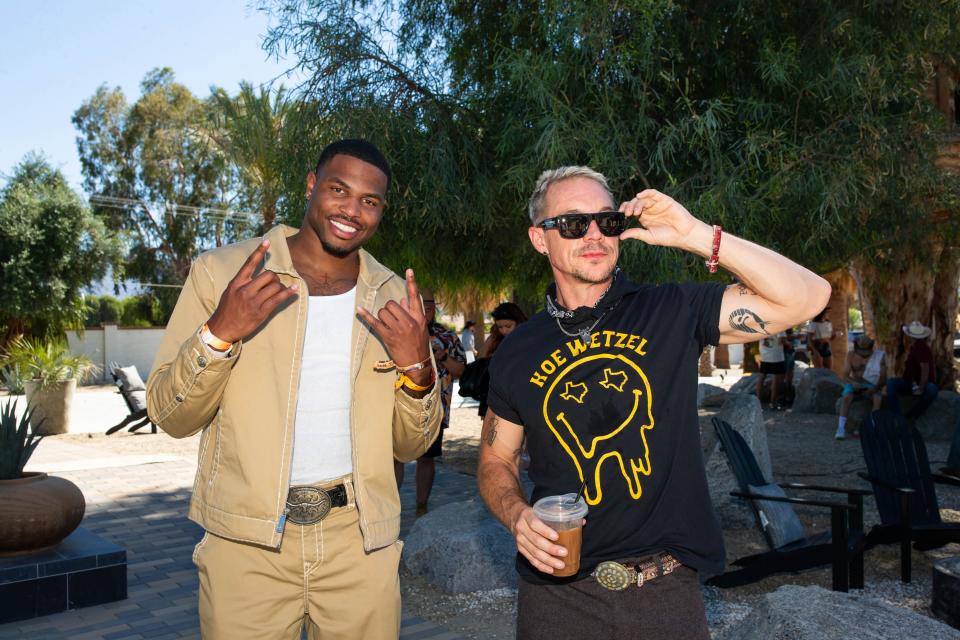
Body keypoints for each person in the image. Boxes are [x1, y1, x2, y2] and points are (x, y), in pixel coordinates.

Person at [477, 166, 830, 640]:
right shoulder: (518, 350)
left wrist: (696, 235)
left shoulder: (670, 310)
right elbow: (496, 458)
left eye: (607, 220)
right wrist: (516, 514)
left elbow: (809, 297)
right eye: (573, 224)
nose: (594, 234)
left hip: (663, 594)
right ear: (540, 239)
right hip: (555, 598)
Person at [145, 139, 442, 639]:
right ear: (310, 186)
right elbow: (170, 415)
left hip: (360, 545)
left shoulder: (392, 296)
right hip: (248, 544)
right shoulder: (224, 275)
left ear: (382, 211)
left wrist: (419, 371)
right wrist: (219, 333)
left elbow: (412, 445)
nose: (352, 211)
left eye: (370, 201)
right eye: (338, 190)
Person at [394, 288, 466, 515]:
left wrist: (442, 357)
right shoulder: (396, 332)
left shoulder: (446, 336)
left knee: (427, 458)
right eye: (420, 304)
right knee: (395, 456)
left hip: (435, 407)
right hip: (398, 405)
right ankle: (391, 507)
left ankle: (421, 506)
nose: (426, 309)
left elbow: (461, 371)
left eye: (430, 305)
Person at [475, 302, 529, 417]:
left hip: (520, 395)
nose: (504, 331)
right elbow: (480, 358)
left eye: (508, 326)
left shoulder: (528, 338)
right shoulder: (496, 339)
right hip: (494, 395)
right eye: (500, 327)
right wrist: (493, 336)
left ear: (519, 322)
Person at [885, 320, 939, 421]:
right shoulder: (914, 346)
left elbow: (925, 368)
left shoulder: (920, 347)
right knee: (891, 383)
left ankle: (908, 416)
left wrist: (921, 387)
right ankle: (900, 416)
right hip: (912, 382)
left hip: (922, 383)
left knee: (931, 390)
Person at [835, 335, 886, 440]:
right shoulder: (851, 355)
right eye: (861, 352)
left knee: (878, 399)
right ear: (856, 349)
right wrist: (853, 383)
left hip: (872, 384)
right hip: (855, 383)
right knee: (847, 397)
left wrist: (874, 388)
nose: (864, 356)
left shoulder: (880, 356)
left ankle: (873, 427)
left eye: (866, 353)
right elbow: (845, 375)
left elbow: (883, 378)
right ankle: (840, 429)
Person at [756, 331, 787, 411]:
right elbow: (781, 340)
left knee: (761, 377)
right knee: (776, 379)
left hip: (764, 354)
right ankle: (773, 403)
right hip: (776, 355)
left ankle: (757, 402)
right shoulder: (780, 324)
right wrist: (789, 343)